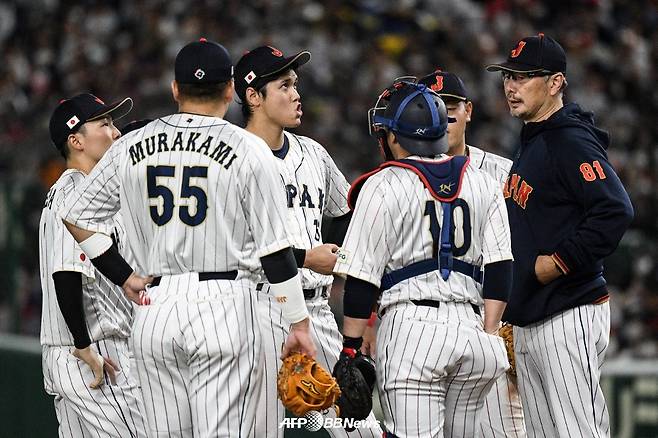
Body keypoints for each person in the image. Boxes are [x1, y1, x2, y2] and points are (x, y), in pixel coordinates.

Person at [59, 38, 316, 438]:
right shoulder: (249, 149)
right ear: (231, 91)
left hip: (155, 308)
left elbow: (76, 216)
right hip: (226, 306)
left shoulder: (129, 145)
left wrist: (123, 275)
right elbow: (276, 252)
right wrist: (298, 322)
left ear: (175, 89)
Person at [333, 80, 512, 437]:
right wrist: (489, 332)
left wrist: (350, 349)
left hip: (411, 329)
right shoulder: (482, 181)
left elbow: (361, 281)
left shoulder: (383, 184)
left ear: (396, 137)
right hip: (473, 331)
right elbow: (500, 268)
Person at [486, 33, 634, 437]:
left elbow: (615, 209)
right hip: (535, 316)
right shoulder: (537, 138)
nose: (511, 86)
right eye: (508, 77)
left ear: (555, 83)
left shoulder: (568, 138)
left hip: (567, 312)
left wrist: (558, 262)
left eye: (524, 77)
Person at [235, 45, 382, 437]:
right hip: (255, 306)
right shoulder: (230, 155)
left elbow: (346, 210)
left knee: (359, 424)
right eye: (284, 85)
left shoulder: (312, 153)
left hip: (316, 311)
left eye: (295, 84)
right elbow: (227, 243)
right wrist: (305, 257)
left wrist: (326, 253)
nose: (297, 94)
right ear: (254, 96)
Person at [418, 70, 526, 438]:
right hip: (423, 326)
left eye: (449, 107)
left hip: (491, 325)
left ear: (468, 110)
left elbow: (523, 249)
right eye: (431, 107)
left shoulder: (503, 173)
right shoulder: (400, 176)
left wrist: (513, 324)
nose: (442, 117)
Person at [40, 93, 147, 437]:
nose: (114, 132)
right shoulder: (78, 191)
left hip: (72, 353)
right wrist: (85, 346)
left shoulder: (74, 191)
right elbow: (67, 271)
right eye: (104, 124)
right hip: (94, 353)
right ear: (76, 141)